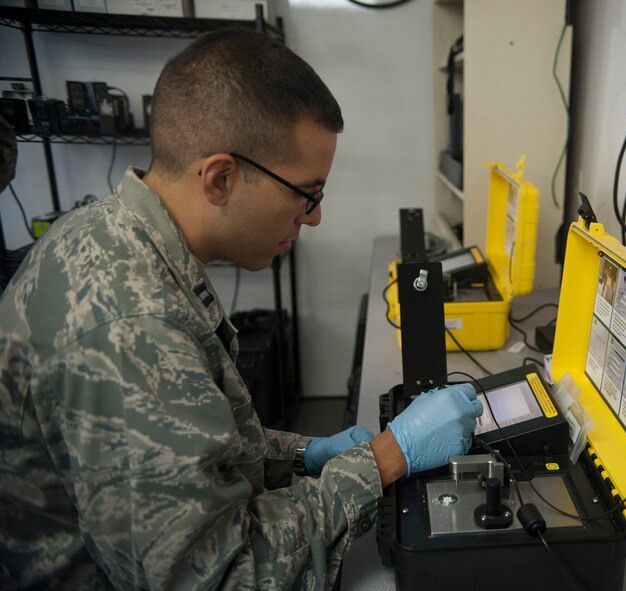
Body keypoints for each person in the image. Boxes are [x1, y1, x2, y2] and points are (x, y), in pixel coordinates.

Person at [0, 30, 482, 590]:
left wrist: (303, 456)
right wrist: (385, 459)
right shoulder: (130, 323)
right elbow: (224, 576)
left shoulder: (114, 234)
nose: (314, 217)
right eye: (308, 193)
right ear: (221, 178)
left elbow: (200, 444)